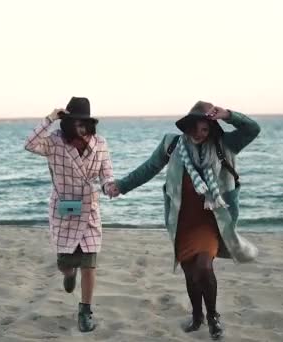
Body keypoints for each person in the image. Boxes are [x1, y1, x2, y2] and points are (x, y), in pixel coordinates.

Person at [107, 101, 260, 339]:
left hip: (211, 222)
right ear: (187, 126)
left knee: (204, 267)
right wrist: (121, 186)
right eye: (194, 128)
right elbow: (149, 168)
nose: (199, 134)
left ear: (212, 129)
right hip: (182, 221)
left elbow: (253, 129)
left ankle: (213, 317)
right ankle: (197, 315)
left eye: (205, 129)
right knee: (191, 274)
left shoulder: (225, 145)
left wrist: (228, 115)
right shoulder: (172, 144)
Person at [24, 96, 115, 332]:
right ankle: (68, 272)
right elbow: (29, 144)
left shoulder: (101, 144)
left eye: (84, 124)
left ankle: (85, 310)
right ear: (67, 124)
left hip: (89, 209)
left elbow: (107, 175)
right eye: (75, 124)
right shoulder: (55, 142)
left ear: (90, 125)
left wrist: (109, 187)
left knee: (90, 264)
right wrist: (50, 118)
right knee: (65, 263)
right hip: (63, 209)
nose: (81, 129)